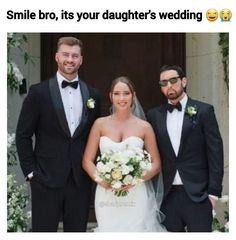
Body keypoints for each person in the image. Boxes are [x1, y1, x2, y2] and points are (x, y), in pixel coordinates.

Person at [16, 37, 101, 232]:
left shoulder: (93, 95)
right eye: (65, 54)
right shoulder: (38, 93)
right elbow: (22, 135)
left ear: (81, 60)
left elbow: (94, 137)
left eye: (74, 56)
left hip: (80, 181)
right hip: (44, 180)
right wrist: (31, 173)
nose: (69, 59)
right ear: (56, 57)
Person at [82, 76, 166, 232]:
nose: (122, 98)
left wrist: (135, 179)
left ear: (133, 95)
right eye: (117, 93)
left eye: (126, 93)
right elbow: (87, 160)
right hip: (107, 193)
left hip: (136, 193)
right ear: (110, 96)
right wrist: (102, 180)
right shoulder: (99, 124)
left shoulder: (144, 127)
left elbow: (156, 164)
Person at [147, 65, 224, 232]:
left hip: (199, 194)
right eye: (164, 82)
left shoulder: (204, 111)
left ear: (184, 81)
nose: (169, 85)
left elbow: (215, 153)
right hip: (167, 195)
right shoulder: (154, 115)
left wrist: (213, 193)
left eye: (173, 80)